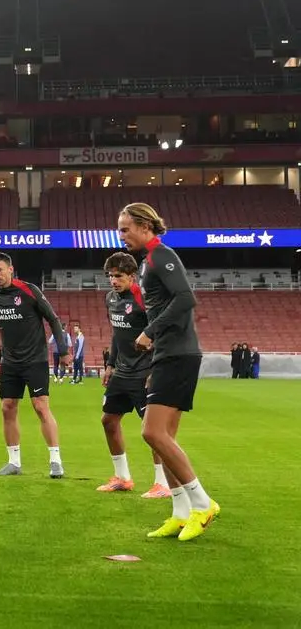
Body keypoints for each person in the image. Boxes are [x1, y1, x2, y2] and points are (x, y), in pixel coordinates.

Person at [118, 202, 219, 541]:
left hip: (179, 354)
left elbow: (186, 298)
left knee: (152, 433)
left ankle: (203, 504)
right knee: (165, 440)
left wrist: (150, 331)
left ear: (145, 225)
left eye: (125, 228)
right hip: (168, 355)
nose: (121, 235)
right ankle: (179, 513)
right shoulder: (147, 263)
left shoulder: (161, 255)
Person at [0, 252, 70, 479]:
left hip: (35, 359)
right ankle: (14, 462)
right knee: (7, 408)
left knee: (41, 407)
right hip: (10, 362)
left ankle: (56, 461)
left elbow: (52, 319)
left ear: (11, 269)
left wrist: (62, 351)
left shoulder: (29, 290)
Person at [97, 252, 171, 499]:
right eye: (110, 276)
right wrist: (110, 365)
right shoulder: (110, 299)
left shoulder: (144, 299)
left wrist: (156, 370)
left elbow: (160, 334)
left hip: (145, 371)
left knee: (153, 430)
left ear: (132, 276)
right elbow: (118, 334)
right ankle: (123, 478)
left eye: (118, 276)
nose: (113, 281)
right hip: (122, 371)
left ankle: (162, 483)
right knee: (108, 420)